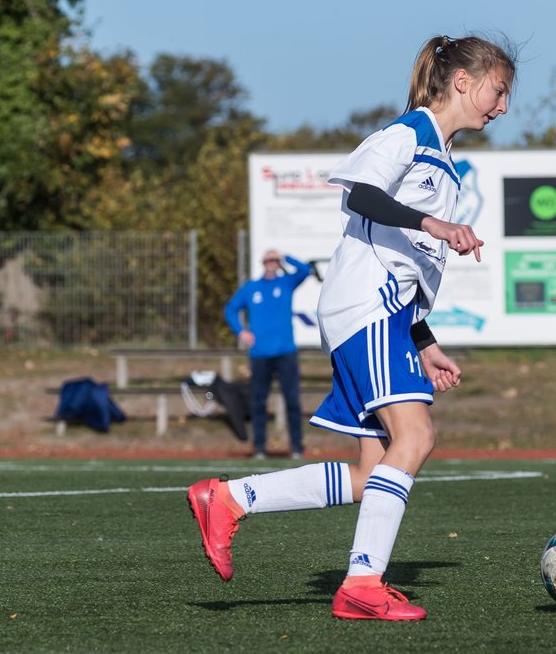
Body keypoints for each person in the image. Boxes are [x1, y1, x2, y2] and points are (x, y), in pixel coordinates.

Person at [188, 33, 516, 621]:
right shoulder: (407, 134)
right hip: (367, 309)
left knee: (370, 472)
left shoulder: (442, 160)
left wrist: (424, 341)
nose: (503, 107)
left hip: (379, 313)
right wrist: (436, 225)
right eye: (499, 90)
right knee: (415, 439)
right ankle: (362, 585)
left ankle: (230, 498)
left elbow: (404, 261)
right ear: (463, 81)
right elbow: (362, 197)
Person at [223, 250, 313, 459]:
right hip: (260, 354)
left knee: (292, 401)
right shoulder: (251, 288)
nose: (271, 263)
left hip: (285, 353)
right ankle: (260, 447)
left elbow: (305, 270)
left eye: (275, 260)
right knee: (258, 402)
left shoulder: (286, 283)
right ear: (263, 263)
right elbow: (230, 310)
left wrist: (286, 257)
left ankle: (297, 447)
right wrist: (241, 331)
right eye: (268, 260)